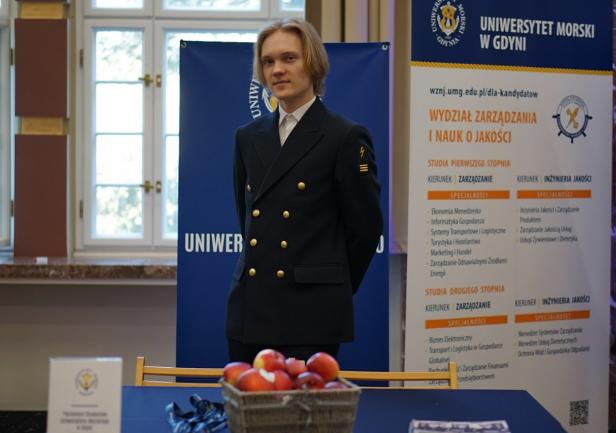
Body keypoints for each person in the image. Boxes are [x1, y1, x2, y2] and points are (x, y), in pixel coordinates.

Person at [226, 18, 383, 364]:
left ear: (312, 63)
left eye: (289, 58)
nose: (277, 70)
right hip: (249, 310)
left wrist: (330, 286)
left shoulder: (345, 136)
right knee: (245, 400)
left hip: (311, 314)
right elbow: (247, 217)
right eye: (268, 61)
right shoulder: (247, 137)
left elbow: (366, 228)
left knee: (303, 402)